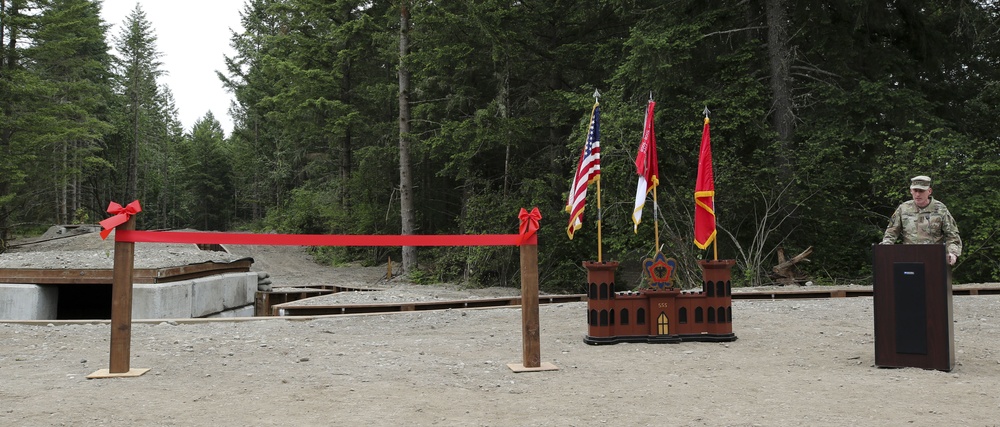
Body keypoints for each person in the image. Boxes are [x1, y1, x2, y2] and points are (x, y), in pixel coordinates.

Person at [881, 175, 962, 265]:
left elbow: (952, 235)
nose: (918, 194)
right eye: (915, 191)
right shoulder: (903, 209)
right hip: (909, 258)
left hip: (934, 259)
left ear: (929, 191)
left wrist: (952, 253)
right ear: (911, 191)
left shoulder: (940, 209)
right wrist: (886, 248)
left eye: (921, 191)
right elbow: (891, 232)